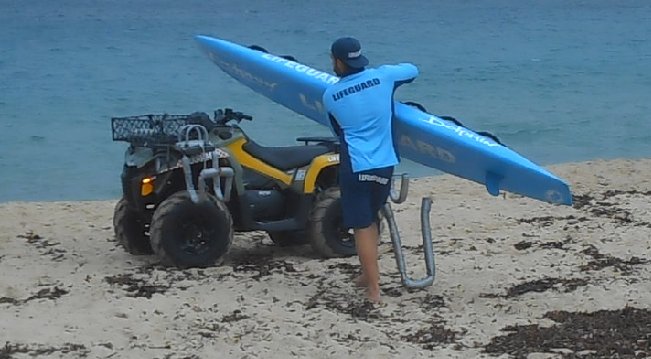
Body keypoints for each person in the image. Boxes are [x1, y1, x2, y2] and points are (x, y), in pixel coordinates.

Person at [322, 37, 418, 303]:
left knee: (362, 226)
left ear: (338, 61)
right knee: (372, 217)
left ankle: (374, 290)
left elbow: (338, 131)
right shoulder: (384, 78)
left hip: (356, 167)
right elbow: (412, 70)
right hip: (385, 165)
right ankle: (367, 275)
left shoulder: (330, 96)